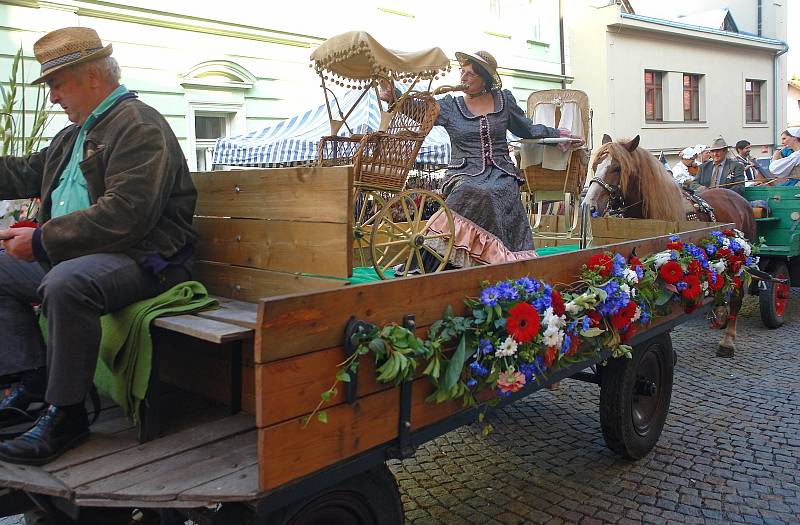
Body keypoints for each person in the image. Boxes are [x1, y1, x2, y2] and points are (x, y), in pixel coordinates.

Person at [0, 27, 196, 465]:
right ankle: (32, 381)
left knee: (67, 284)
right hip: (87, 256)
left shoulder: (140, 125)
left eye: (56, 83)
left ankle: (67, 414)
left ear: (92, 76)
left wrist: (43, 240)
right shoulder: (72, 135)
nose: (52, 97)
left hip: (146, 258)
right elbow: (22, 172)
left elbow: (127, 214)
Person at [380, 50, 582, 267]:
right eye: (462, 72)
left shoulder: (504, 100)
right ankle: (436, 262)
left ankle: (495, 260)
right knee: (471, 190)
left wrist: (557, 134)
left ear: (484, 78)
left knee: (496, 191)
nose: (463, 78)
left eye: (470, 74)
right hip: (464, 172)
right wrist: (395, 95)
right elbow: (421, 110)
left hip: (501, 172)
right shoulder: (450, 105)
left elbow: (526, 128)